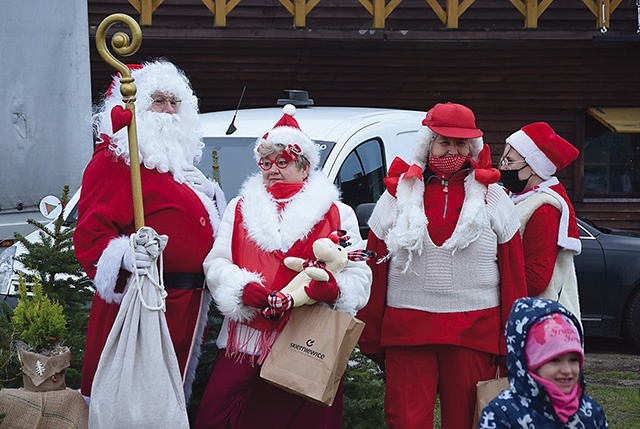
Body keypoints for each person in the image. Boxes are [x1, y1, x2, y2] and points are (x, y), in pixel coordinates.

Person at [194, 104, 372, 429]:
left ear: (305, 168)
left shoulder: (337, 212)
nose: (272, 169)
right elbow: (217, 262)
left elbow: (359, 273)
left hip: (308, 338)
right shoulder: (240, 207)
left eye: (283, 161)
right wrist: (241, 287)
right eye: (266, 162)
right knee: (217, 413)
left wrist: (334, 290)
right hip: (245, 338)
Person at [358, 102, 528, 429]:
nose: (452, 150)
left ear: (472, 147)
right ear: (428, 143)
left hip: (473, 333)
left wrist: (510, 344)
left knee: (465, 421)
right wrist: (372, 335)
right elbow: (375, 270)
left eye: (460, 143)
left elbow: (513, 276)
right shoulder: (396, 196)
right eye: (444, 141)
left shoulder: (496, 199)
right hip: (408, 332)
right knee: (406, 421)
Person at [74, 59, 226, 403]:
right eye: (159, 100)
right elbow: (89, 236)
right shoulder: (114, 161)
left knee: (165, 403)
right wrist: (126, 254)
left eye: (175, 102)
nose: (169, 109)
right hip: (142, 307)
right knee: (135, 405)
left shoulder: (174, 166)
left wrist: (211, 196)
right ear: (135, 107)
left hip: (183, 307)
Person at [478, 297, 608, 428]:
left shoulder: (591, 413)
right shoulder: (501, 414)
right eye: (554, 360)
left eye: (573, 360)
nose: (567, 370)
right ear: (528, 365)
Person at [498, 122, 582, 321]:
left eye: (509, 161)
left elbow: (536, 280)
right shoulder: (516, 197)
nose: (503, 167)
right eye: (503, 159)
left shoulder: (545, 209)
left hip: (534, 320)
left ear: (534, 168)